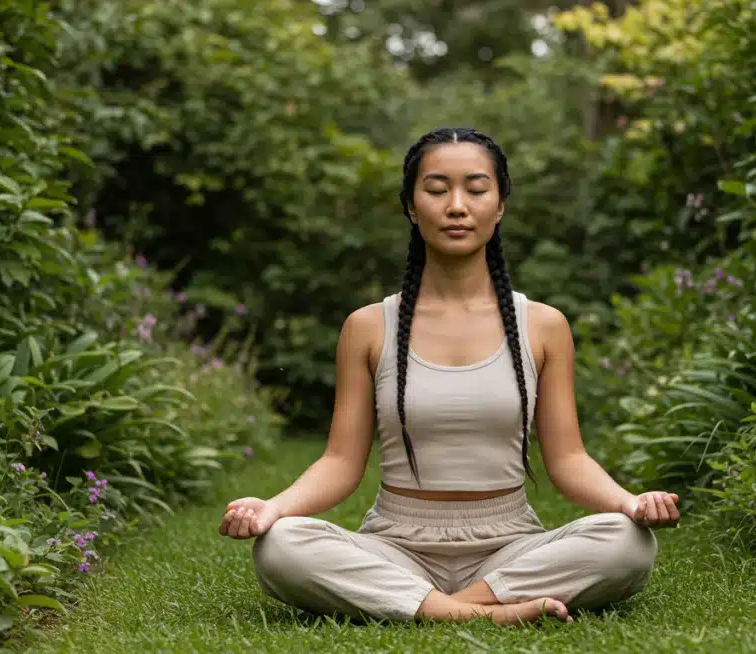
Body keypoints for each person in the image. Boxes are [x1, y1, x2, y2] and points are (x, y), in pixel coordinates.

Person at [217, 127, 680, 626]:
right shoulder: (368, 327)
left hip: (508, 548)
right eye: (437, 190)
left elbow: (568, 459)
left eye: (476, 189)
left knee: (629, 542)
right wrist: (274, 509)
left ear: (500, 206)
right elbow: (340, 462)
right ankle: (484, 613)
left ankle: (433, 607)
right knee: (281, 545)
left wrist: (629, 503)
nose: (457, 206)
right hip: (396, 547)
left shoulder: (544, 326)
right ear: (412, 207)